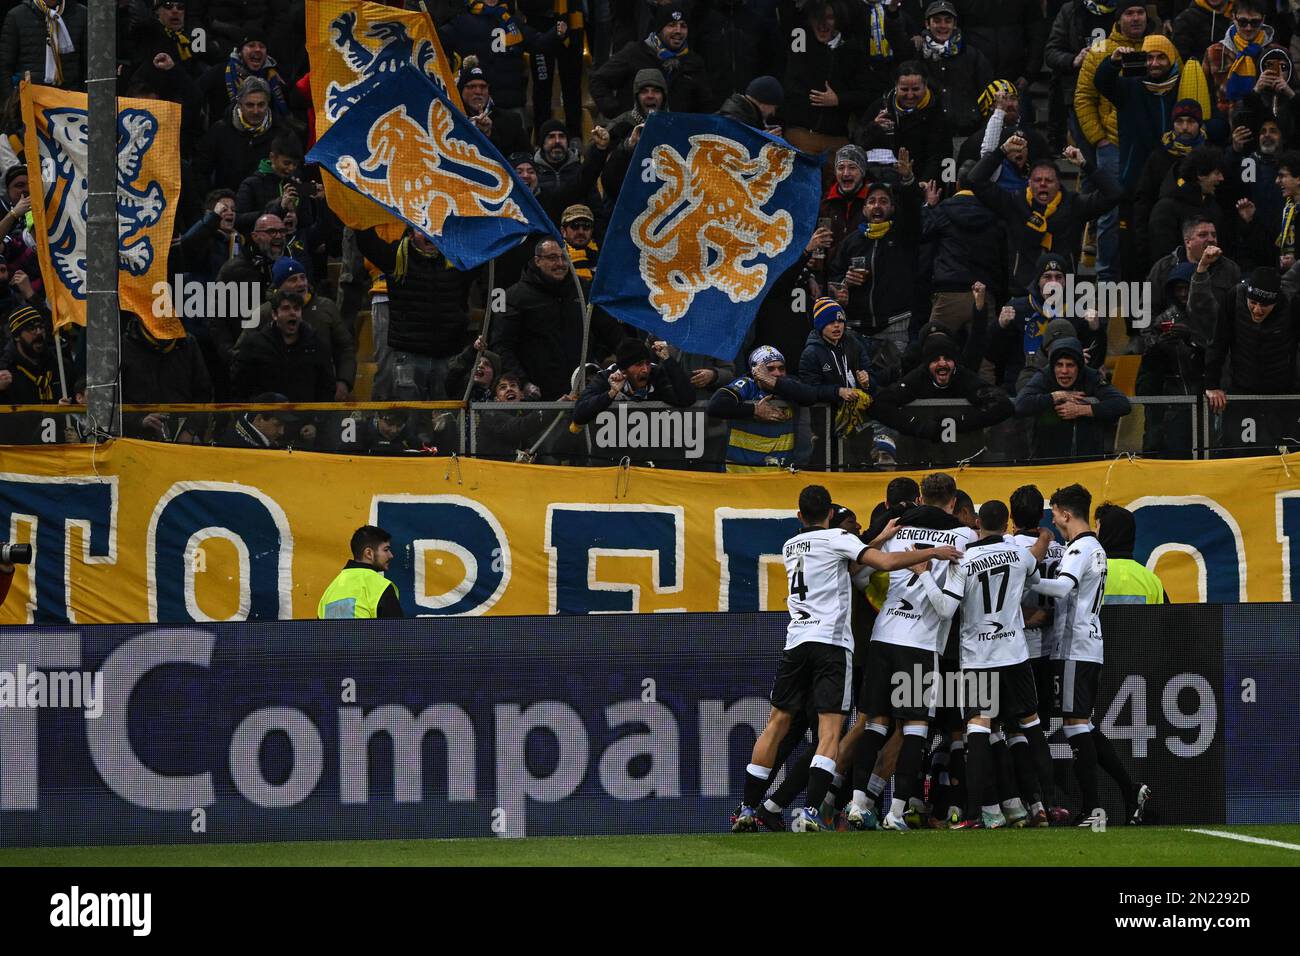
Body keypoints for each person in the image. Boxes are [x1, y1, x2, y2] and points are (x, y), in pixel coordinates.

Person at [731, 483, 962, 833]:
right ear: (828, 515)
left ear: (799, 515)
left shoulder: (791, 545)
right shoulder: (837, 537)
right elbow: (882, 562)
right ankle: (811, 811)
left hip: (796, 640)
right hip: (831, 644)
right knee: (830, 730)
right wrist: (930, 555)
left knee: (776, 723)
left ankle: (747, 808)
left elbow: (855, 568)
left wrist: (879, 535)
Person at [915, 499, 1057, 829]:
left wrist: (924, 576)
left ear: (978, 523)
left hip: (979, 658)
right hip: (1015, 654)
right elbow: (1034, 560)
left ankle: (975, 814)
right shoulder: (1019, 553)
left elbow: (945, 610)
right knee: (1031, 726)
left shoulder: (963, 561)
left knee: (978, 728)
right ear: (1007, 526)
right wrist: (1044, 540)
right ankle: (1049, 807)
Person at [847, 472, 977, 831]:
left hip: (883, 634)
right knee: (915, 729)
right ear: (953, 502)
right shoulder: (963, 536)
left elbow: (859, 575)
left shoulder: (898, 528)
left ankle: (858, 805)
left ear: (920, 499)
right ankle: (895, 812)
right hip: (920, 643)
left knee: (876, 723)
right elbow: (953, 599)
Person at [1030, 483, 1152, 827]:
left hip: (1073, 647)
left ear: (1066, 513)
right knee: (1082, 723)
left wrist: (1024, 577)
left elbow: (1062, 587)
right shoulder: (1094, 547)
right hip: (1087, 645)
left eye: (1054, 514)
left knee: (1074, 725)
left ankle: (1093, 808)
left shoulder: (1080, 549)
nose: (1053, 521)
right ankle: (1130, 789)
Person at [968, 144, 1121, 295]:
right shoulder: (1014, 203)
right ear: (1029, 183)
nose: (1042, 184)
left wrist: (1085, 164)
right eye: (1037, 180)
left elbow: (1114, 194)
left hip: (1064, 294)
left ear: (1058, 184)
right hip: (1022, 291)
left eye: (1049, 181)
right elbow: (974, 180)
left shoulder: (1074, 205)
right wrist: (1002, 151)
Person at [707, 345, 857, 473]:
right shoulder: (747, 384)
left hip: (777, 476)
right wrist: (754, 410)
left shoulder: (789, 385)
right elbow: (715, 406)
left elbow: (810, 396)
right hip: (740, 474)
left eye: (781, 368)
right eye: (770, 369)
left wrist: (772, 381)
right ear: (756, 371)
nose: (778, 373)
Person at [1201, 266, 1300, 456]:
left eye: (1264, 305)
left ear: (1276, 302)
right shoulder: (1233, 297)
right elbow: (1218, 342)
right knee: (1239, 452)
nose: (1257, 309)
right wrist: (1212, 385)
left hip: (1283, 393)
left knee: (1284, 454)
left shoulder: (1292, 303)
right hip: (1242, 390)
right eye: (1253, 302)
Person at [1014, 335, 1132, 462]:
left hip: (1087, 460)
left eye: (1070, 365)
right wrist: (1056, 396)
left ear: (1079, 366)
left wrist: (1081, 410)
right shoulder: (1044, 376)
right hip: (1047, 460)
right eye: (1059, 365)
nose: (1064, 371)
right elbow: (1021, 404)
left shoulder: (1090, 376)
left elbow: (1122, 404)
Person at [589, 3, 711, 121]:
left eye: (683, 26)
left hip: (675, 134)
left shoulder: (693, 62)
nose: (678, 31)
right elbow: (598, 80)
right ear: (660, 29)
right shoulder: (635, 52)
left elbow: (705, 104)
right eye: (671, 25)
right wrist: (618, 114)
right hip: (634, 134)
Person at [317, 525, 402, 620]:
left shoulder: (330, 591)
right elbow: (397, 632)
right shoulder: (380, 586)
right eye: (386, 550)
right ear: (369, 553)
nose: (391, 555)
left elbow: (321, 633)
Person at [456, 56, 530, 159]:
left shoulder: (511, 121)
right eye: (471, 87)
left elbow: (525, 161)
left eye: (483, 86)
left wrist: (489, 134)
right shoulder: (451, 121)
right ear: (461, 91)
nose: (478, 92)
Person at [1095, 503, 1169, 604]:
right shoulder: (1153, 582)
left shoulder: (1090, 576)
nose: (1095, 532)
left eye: (1097, 526)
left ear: (1105, 531)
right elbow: (1168, 619)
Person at [213, 391, 297, 450]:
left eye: (284, 425)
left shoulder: (243, 424)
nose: (282, 431)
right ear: (259, 420)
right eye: (277, 424)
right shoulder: (242, 449)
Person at [560, 204, 599, 281]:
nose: (581, 232)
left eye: (586, 226)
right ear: (563, 231)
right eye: (575, 226)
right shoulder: (556, 258)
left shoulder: (603, 258)